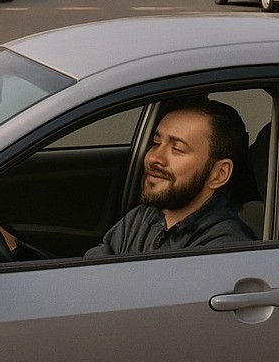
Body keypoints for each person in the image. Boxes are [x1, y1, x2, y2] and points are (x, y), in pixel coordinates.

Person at [83, 97, 255, 257]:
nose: (153, 158)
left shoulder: (225, 249)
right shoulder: (141, 218)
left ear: (218, 174)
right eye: (156, 143)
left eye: (177, 149)